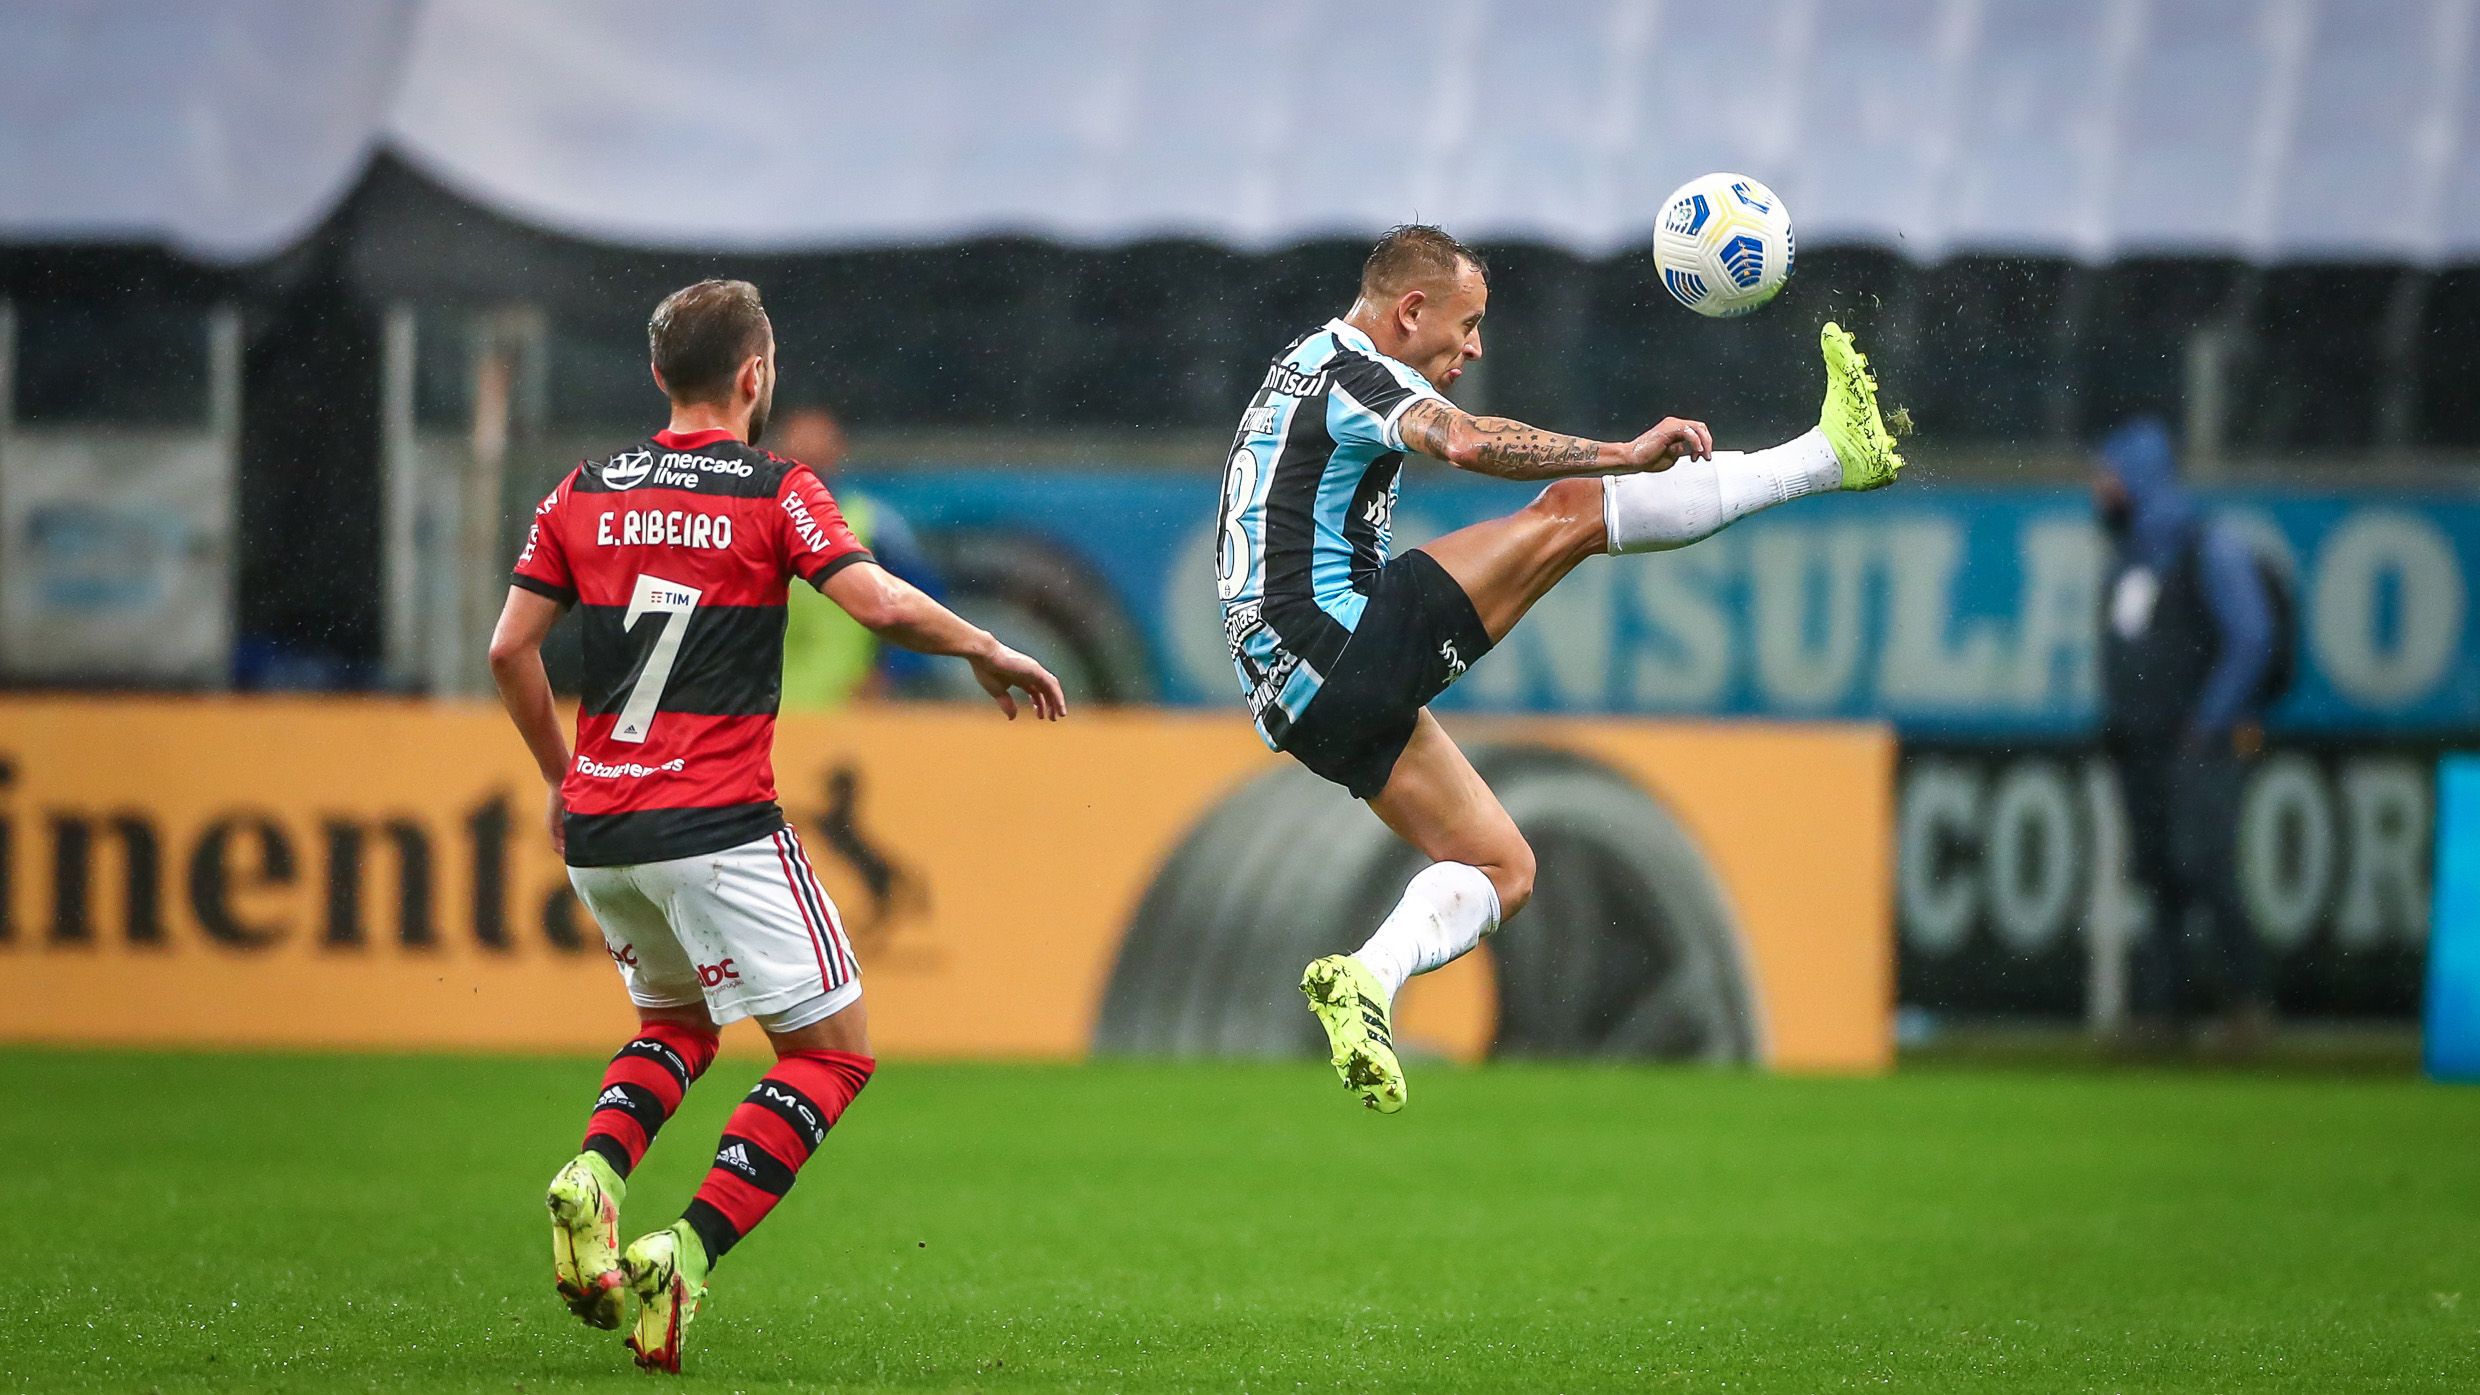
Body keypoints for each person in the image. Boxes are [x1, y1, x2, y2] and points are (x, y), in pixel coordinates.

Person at [487, 279, 1065, 1372]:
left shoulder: (581, 489)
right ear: (754, 376)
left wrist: (565, 782)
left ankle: (595, 1177)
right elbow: (878, 602)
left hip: (605, 828)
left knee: (677, 1030)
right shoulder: (774, 489)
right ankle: (684, 1254)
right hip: (714, 820)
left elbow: (508, 650)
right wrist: (986, 645)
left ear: (660, 376)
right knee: (831, 1060)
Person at [1214, 225, 1905, 1112]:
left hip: (1295, 696)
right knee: (1576, 507)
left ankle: (1366, 981)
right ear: (1411, 309)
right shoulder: (1353, 368)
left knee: (1505, 869)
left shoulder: (1306, 363)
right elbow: (1462, 443)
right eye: (1464, 326)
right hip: (1331, 637)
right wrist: (1618, 452)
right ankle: (1827, 456)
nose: (1473, 347)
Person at [2094, 417, 2278, 1050]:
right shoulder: (2130, 558)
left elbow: (2253, 638)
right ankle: (2163, 1016)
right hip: (2143, 746)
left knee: (2206, 867)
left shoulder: (2210, 548)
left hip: (2198, 743)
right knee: (2160, 875)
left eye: (2109, 478)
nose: (2100, 492)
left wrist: (2209, 721)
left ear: (2139, 479)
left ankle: (2249, 1007)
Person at [770, 404, 949, 707]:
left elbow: (924, 603)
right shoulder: (756, 517)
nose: (808, 452)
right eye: (799, 442)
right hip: (769, 709)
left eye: (818, 443)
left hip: (846, 707)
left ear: (838, 450)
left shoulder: (873, 524)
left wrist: (890, 671)